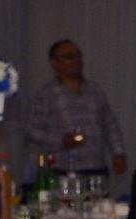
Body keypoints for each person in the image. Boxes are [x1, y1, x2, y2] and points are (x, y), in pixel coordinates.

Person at [26, 39, 127, 175]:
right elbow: (32, 133)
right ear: (54, 63)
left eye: (78, 56)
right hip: (62, 170)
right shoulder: (45, 94)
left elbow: (110, 124)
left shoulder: (95, 90)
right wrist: (62, 140)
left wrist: (118, 152)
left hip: (96, 168)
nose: (76, 60)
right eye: (68, 57)